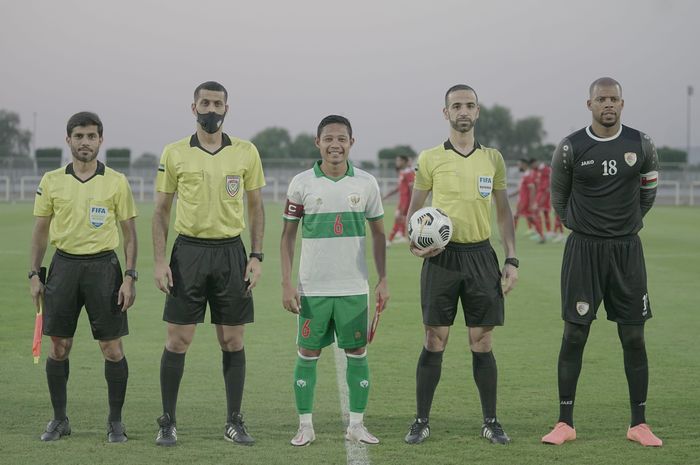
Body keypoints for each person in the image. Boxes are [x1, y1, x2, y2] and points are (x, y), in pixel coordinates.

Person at [541, 77, 662, 447]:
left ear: (622, 104)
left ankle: (638, 423)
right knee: (575, 333)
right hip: (584, 251)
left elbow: (648, 192)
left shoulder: (641, 144)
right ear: (589, 104)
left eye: (613, 99)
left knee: (633, 336)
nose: (607, 104)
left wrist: (624, 226)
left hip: (626, 251)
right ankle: (565, 422)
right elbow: (559, 199)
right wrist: (585, 227)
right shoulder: (570, 147)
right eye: (601, 99)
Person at [152, 81, 265, 446]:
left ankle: (234, 420)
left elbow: (256, 207)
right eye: (205, 102)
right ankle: (167, 420)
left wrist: (256, 256)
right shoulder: (174, 152)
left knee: (232, 340)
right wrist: (159, 261)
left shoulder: (246, 152)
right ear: (193, 107)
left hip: (232, 251)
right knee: (178, 339)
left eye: (218, 103)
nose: (211, 109)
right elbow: (161, 211)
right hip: (188, 253)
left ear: (227, 108)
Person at [404, 85, 518, 445]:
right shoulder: (430, 158)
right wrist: (414, 241)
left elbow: (503, 211)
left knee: (481, 340)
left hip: (482, 257)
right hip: (443, 258)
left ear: (478, 111)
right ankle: (421, 420)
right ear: (446, 113)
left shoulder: (493, 159)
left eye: (469, 105)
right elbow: (415, 210)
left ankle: (491, 420)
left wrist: (511, 258)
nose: (463, 111)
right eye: (457, 106)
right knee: (434, 339)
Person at [280, 115, 389, 446]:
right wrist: (287, 283)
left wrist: (383, 279)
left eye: (342, 139)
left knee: (357, 352)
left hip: (354, 287)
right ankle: (305, 425)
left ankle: (357, 424)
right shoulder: (301, 183)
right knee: (307, 353)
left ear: (351, 143)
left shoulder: (367, 183)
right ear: (318, 143)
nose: (335, 145)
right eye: (328, 138)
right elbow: (286, 238)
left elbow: (380, 235)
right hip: (312, 288)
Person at [30, 111, 138, 443]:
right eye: (79, 136)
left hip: (104, 268)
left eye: (91, 136)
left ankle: (115, 422)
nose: (85, 142)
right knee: (59, 346)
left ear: (101, 140)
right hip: (64, 268)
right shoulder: (51, 180)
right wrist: (34, 273)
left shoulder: (116, 181)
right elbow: (40, 233)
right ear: (68, 140)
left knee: (112, 348)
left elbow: (131, 235)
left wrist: (130, 277)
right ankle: (59, 419)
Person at [383, 155, 415, 245]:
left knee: (398, 217)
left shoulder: (409, 173)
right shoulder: (402, 172)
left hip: (406, 201)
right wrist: (388, 195)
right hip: (402, 200)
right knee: (402, 218)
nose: (397, 162)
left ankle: (389, 240)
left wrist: (412, 202)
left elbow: (411, 188)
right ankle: (402, 235)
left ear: (404, 162)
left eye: (399, 161)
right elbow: (399, 187)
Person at [513, 158, 545, 243]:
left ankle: (510, 238)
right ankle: (542, 236)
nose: (518, 166)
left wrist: (532, 203)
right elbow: (522, 189)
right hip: (524, 201)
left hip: (524, 202)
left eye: (519, 164)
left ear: (524, 164)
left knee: (515, 217)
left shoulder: (528, 175)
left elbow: (532, 188)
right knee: (531, 218)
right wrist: (511, 194)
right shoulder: (527, 174)